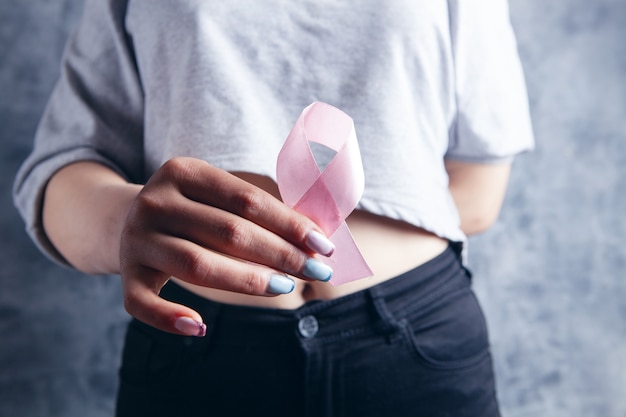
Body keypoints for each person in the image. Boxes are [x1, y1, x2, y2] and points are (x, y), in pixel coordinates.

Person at [13, 0, 534, 416]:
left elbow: (479, 191)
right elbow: (63, 166)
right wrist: (124, 222)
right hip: (195, 345)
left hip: (413, 343)